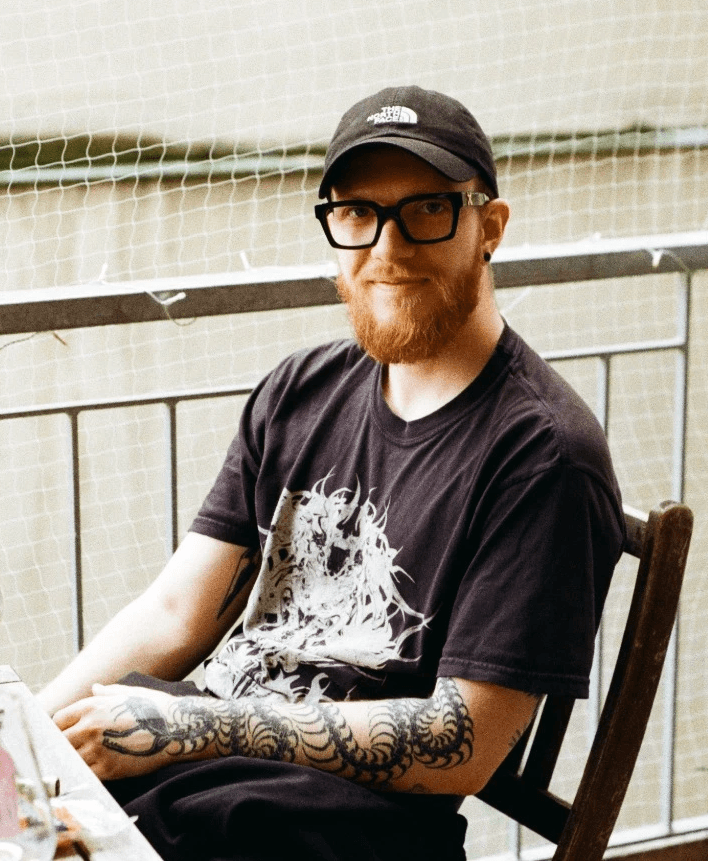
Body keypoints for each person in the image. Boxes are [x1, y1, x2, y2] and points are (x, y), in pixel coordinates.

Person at [38, 85, 625, 861]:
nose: (387, 249)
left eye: (426, 210)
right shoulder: (301, 389)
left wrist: (194, 727)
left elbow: (466, 739)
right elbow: (179, 609)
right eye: (357, 212)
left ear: (489, 226)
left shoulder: (544, 456)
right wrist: (26, 739)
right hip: (207, 772)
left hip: (331, 827)